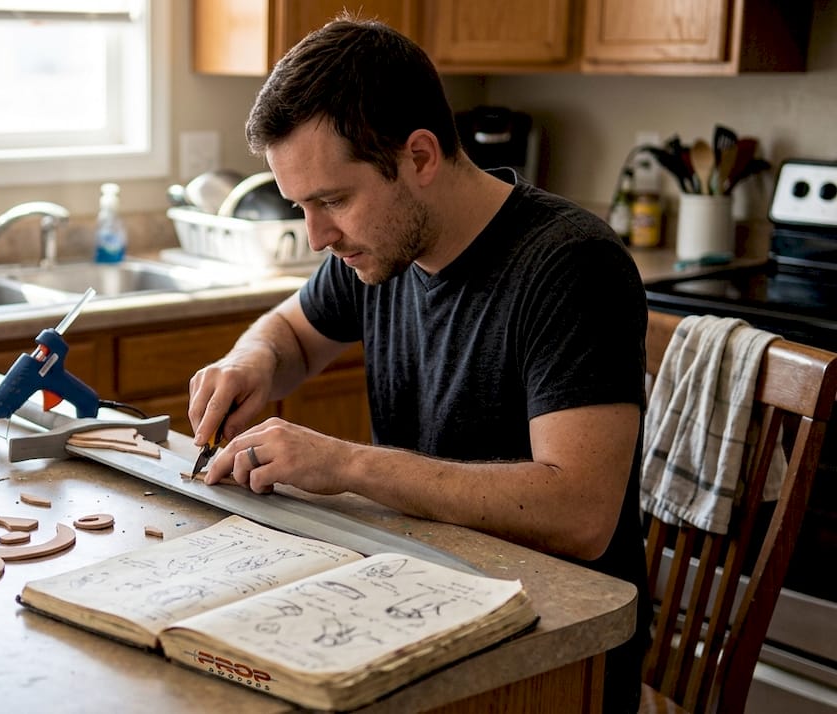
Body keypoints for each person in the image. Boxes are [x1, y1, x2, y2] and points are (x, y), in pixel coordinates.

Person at [187, 16, 649, 713]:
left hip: (550, 653)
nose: (316, 236)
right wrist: (248, 360)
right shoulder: (379, 248)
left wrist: (346, 465)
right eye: (301, 206)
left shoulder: (571, 264)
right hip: (423, 595)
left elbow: (580, 512)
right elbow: (289, 335)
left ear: (421, 157)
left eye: (333, 200)